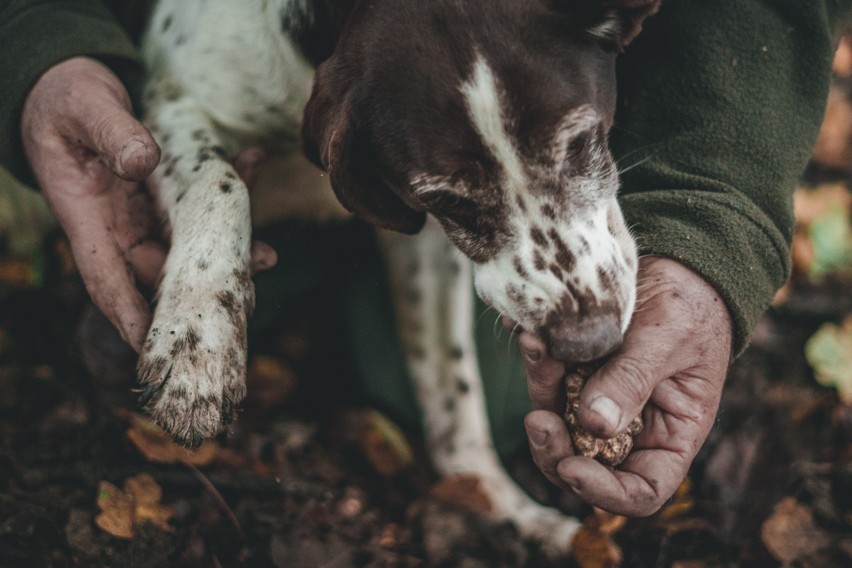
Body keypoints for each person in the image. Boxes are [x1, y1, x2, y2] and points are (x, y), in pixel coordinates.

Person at [2, 0, 850, 518]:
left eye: (579, 148)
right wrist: (38, 49)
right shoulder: (259, 47)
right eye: (456, 196)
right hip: (276, 138)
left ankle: (459, 446)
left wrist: (711, 227)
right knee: (109, 259)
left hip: (386, 160)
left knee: (509, 405)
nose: (580, 299)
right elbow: (178, 109)